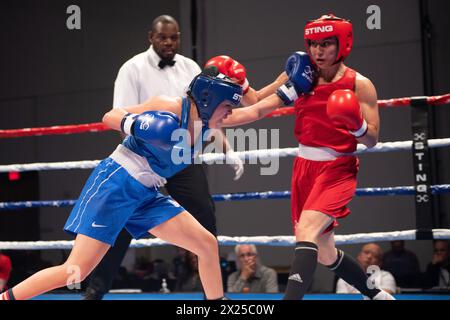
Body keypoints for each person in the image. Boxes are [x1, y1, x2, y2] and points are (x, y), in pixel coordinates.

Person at [0, 69, 243, 300]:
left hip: (147, 194)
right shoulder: (168, 106)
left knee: (206, 243)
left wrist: (281, 91)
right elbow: (109, 116)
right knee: (74, 270)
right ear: (208, 100)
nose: (231, 113)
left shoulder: (208, 124)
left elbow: (256, 111)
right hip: (117, 183)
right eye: (227, 107)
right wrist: (136, 125)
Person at [218, 13, 394, 300]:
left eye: (326, 44)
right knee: (324, 253)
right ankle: (378, 295)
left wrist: (356, 123)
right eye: (313, 43)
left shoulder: (359, 84)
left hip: (338, 168)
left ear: (343, 44)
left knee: (307, 232)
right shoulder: (300, 74)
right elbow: (258, 103)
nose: (317, 51)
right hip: (304, 168)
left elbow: (372, 139)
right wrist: (237, 84)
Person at [84, 15, 244, 300]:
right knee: (120, 222)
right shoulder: (131, 69)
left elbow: (210, 114)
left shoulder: (191, 67)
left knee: (204, 214)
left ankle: (209, 288)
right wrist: (147, 158)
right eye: (162, 37)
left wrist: (228, 150)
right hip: (145, 155)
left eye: (174, 37)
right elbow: (121, 115)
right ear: (151, 37)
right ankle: (96, 290)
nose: (169, 42)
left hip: (183, 156)